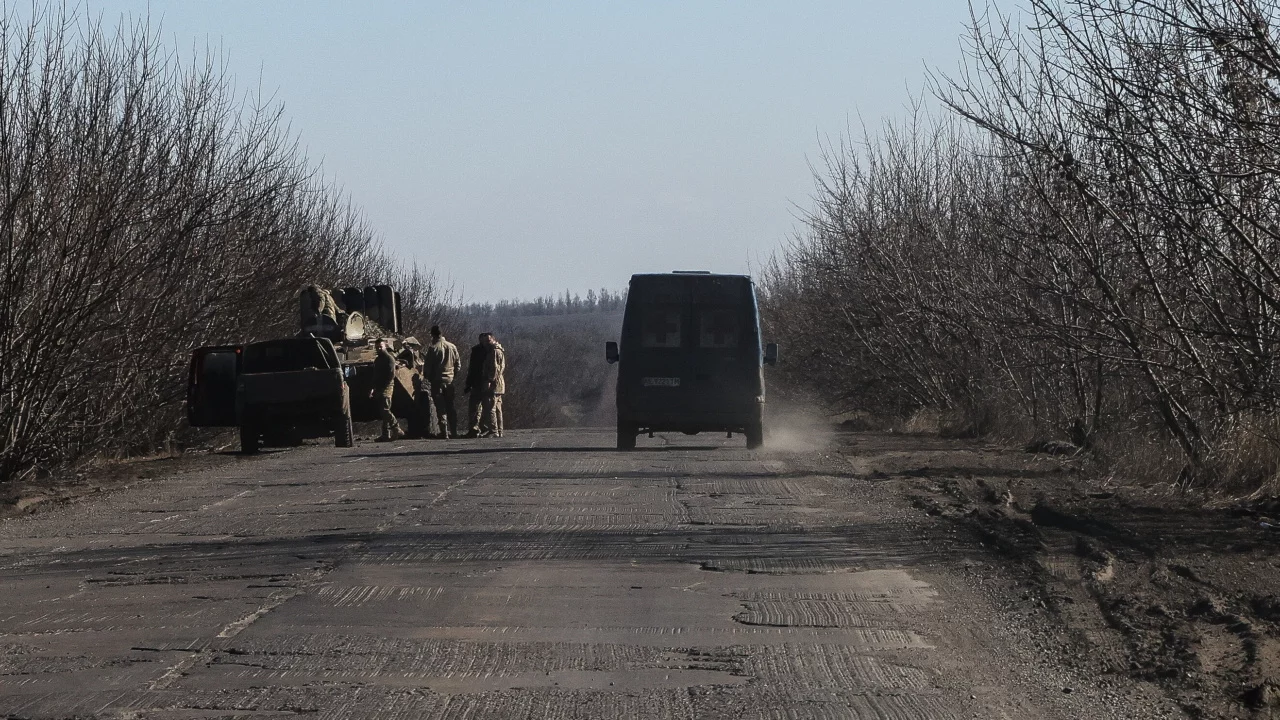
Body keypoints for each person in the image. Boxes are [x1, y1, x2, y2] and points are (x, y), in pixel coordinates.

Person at [423, 325, 462, 438]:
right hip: (449, 381)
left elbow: (427, 368)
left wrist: (429, 378)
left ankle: (444, 431)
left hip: (437, 381)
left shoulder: (433, 348)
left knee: (440, 407)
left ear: (432, 335)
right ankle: (454, 431)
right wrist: (452, 376)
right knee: (450, 406)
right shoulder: (452, 347)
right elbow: (458, 365)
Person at [371, 338, 403, 441]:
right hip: (379, 387)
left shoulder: (389, 359)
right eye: (377, 347)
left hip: (387, 387)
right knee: (383, 409)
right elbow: (375, 376)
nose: (379, 348)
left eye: (381, 346)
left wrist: (382, 388)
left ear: (385, 346)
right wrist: (373, 388)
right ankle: (385, 434)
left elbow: (390, 375)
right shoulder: (377, 360)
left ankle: (396, 427)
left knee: (385, 409)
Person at [462, 333, 491, 438]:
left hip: (485, 382)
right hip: (477, 382)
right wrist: (468, 383)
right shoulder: (478, 350)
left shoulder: (492, 351)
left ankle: (484, 428)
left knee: (486, 407)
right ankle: (475, 428)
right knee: (475, 407)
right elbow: (472, 368)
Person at [481, 333, 506, 438]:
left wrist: (490, 380)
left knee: (491, 407)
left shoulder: (494, 352)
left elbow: (494, 368)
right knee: (498, 407)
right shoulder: (499, 350)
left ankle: (494, 430)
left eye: (488, 341)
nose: (486, 343)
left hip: (494, 383)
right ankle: (499, 430)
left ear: (493, 340)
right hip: (500, 382)